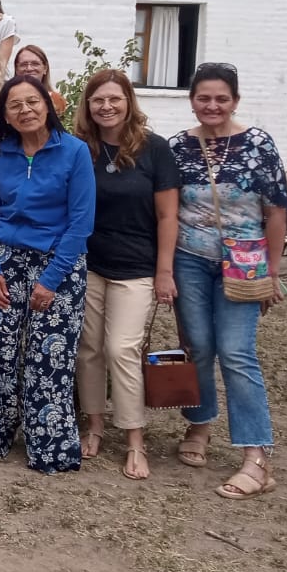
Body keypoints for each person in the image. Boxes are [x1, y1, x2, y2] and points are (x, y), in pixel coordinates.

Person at [169, 62, 287, 500]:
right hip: (189, 259)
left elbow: (277, 210)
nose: (212, 105)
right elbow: (167, 207)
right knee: (197, 346)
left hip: (245, 264)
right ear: (192, 101)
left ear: (235, 100)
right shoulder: (179, 147)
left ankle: (257, 458)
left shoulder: (258, 144)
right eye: (204, 98)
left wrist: (273, 271)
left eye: (221, 98)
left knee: (237, 352)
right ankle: (199, 423)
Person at [0, 76, 94, 474]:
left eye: (32, 101)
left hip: (59, 263)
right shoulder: (0, 153)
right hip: (4, 263)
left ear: (48, 104)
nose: (25, 110)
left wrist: (51, 280)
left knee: (49, 358)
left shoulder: (74, 152)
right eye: (15, 105)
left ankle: (50, 449)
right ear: (4, 114)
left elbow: (80, 223)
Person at [73, 70, 180, 481]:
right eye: (98, 100)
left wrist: (164, 271)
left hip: (136, 268)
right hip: (90, 264)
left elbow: (168, 215)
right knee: (90, 349)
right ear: (88, 105)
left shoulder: (154, 149)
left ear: (128, 101)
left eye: (114, 99)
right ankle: (95, 426)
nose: (106, 107)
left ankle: (135, 439)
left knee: (122, 349)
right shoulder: (83, 148)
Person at [13, 44, 68, 114]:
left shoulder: (57, 100)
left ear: (45, 68)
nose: (29, 68)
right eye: (24, 64)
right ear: (17, 69)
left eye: (35, 64)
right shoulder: (7, 100)